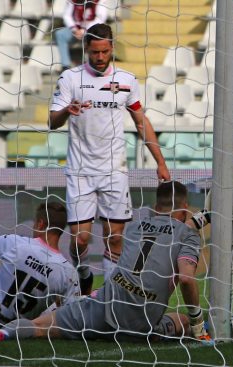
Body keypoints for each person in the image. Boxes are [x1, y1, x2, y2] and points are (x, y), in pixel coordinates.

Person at [0, 181, 213, 346]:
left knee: (41, 328)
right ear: (185, 208)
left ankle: (2, 333)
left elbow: (165, 229)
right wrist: (198, 322)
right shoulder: (186, 235)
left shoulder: (134, 228)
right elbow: (187, 277)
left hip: (102, 309)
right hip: (140, 325)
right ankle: (188, 328)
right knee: (182, 321)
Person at [48, 23, 170, 295]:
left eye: (104, 52)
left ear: (112, 47)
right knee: (81, 240)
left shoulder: (126, 80)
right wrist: (68, 110)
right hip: (80, 171)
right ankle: (83, 274)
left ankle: (110, 298)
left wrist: (160, 162)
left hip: (115, 170)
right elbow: (53, 121)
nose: (100, 58)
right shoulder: (70, 79)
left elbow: (141, 122)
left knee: (115, 238)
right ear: (86, 50)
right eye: (94, 52)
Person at [0, 202, 81, 327]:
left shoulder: (16, 242)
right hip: (23, 327)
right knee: (58, 304)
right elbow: (72, 316)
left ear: (40, 224)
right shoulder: (69, 272)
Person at [55, 0, 109, 72]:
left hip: (92, 30)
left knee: (98, 35)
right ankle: (65, 66)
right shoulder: (72, 0)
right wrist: (74, 29)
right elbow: (66, 15)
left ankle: (94, 65)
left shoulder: (100, 1)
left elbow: (100, 19)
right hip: (76, 29)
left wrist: (85, 30)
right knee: (60, 34)